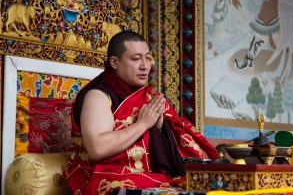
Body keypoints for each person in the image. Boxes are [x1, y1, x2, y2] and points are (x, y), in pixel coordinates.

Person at [64, 31, 219, 194]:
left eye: (148, 57)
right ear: (115, 62)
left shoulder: (147, 95)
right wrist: (143, 124)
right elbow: (98, 149)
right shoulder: (98, 96)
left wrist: (158, 129)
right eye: (136, 58)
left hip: (146, 177)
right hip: (106, 178)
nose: (145, 65)